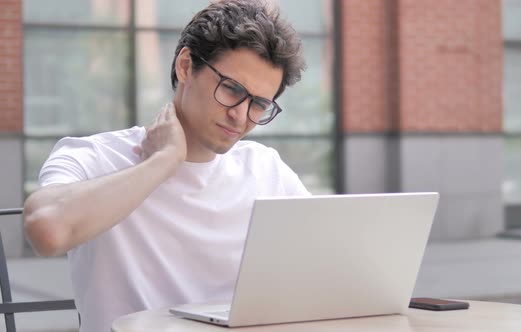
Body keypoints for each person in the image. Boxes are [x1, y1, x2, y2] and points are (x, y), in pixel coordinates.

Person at [22, 1, 309, 331]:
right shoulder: (97, 156)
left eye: (258, 104)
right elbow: (46, 230)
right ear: (186, 66)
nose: (241, 116)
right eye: (231, 89)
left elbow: (329, 261)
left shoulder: (265, 169)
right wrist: (164, 161)